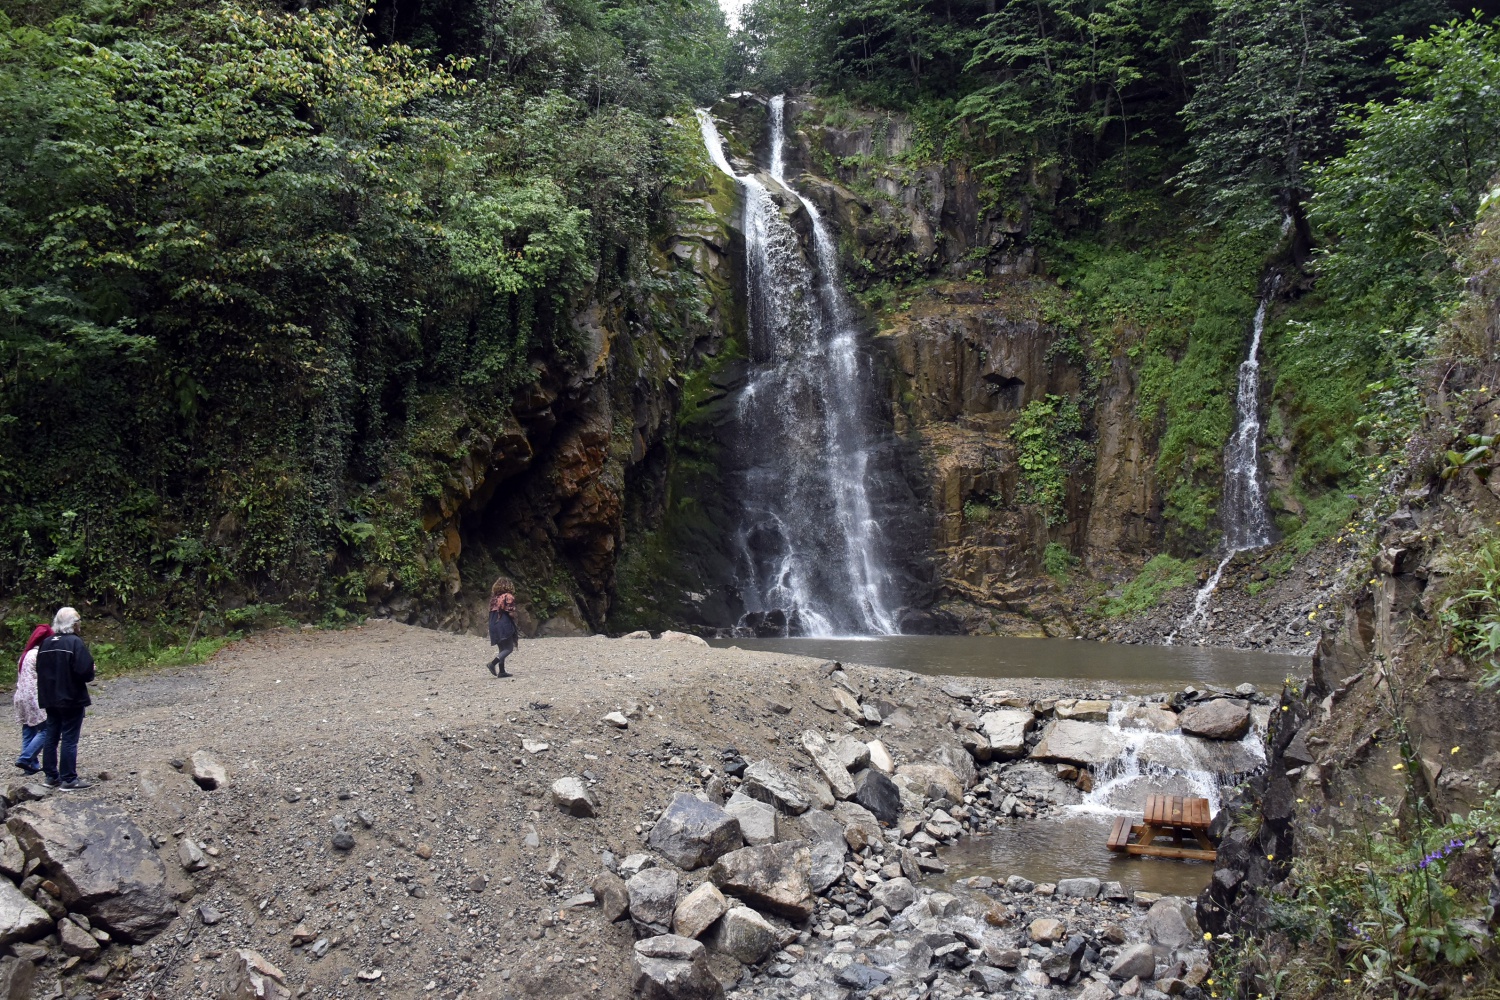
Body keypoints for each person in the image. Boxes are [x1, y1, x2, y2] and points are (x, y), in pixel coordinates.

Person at [35, 607, 95, 790]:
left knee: (51, 736)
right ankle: (69, 778)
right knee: (69, 738)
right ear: (74, 624)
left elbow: (39, 670)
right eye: (78, 622)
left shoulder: (45, 643)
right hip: (70, 697)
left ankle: (51, 776)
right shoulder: (74, 643)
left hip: (49, 697)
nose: (80, 625)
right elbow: (85, 671)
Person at [13, 624, 52, 774]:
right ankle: (26, 757)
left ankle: (31, 767)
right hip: (34, 696)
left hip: (21, 696)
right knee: (46, 729)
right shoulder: (40, 655)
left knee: (28, 729)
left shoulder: (25, 654)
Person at [487, 577, 520, 679]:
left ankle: (502, 671)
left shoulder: (494, 599)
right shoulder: (508, 596)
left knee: (502, 648)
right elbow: (510, 613)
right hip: (503, 624)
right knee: (509, 648)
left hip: (493, 624)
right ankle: (493, 663)